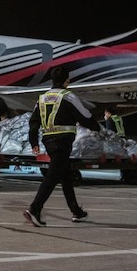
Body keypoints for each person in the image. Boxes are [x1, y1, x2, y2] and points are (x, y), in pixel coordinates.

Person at [23, 66, 92, 227]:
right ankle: (34, 209)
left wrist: (33, 142)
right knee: (53, 176)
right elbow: (85, 116)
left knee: (65, 175)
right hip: (62, 142)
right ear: (67, 80)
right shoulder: (68, 96)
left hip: (48, 141)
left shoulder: (42, 98)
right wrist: (97, 128)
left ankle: (76, 211)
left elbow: (33, 122)